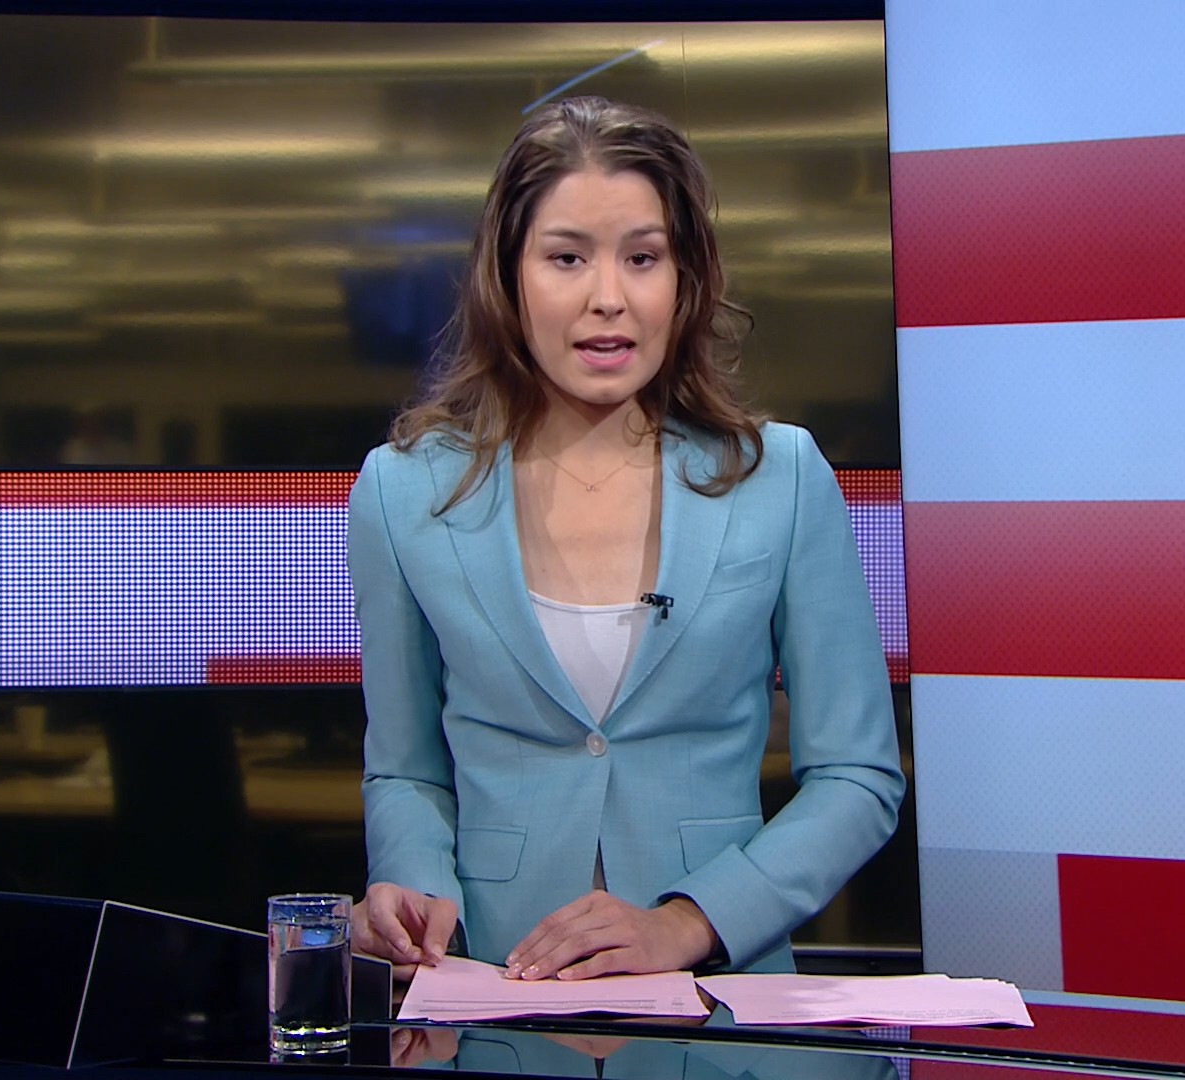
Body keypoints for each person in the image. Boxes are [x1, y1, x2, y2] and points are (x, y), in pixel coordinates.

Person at [346, 95, 903, 982]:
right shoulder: (403, 491)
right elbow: (405, 772)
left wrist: (688, 923)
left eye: (642, 258)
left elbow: (857, 778)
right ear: (508, 276)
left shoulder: (782, 479)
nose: (608, 298)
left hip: (718, 995)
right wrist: (412, 887)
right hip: (494, 985)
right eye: (567, 257)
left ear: (684, 281)